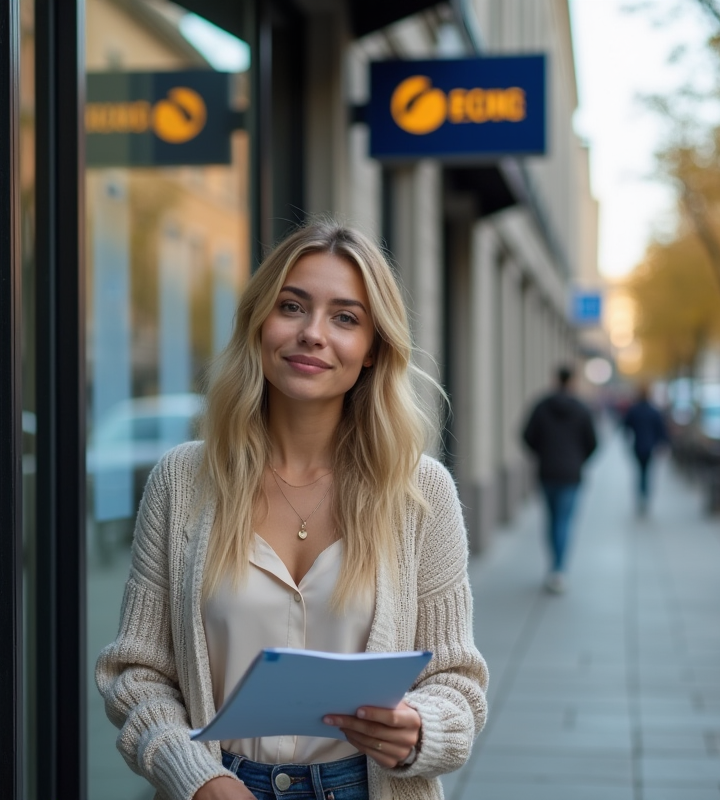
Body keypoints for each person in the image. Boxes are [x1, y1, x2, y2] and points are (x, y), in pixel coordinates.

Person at [96, 220, 488, 800]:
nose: (312, 333)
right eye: (292, 306)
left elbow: (457, 682)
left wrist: (419, 730)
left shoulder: (420, 493)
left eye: (345, 318)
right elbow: (137, 674)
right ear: (259, 323)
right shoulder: (184, 480)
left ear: (374, 349)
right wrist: (197, 780)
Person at [522, 366, 597, 594]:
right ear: (573, 381)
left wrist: (543, 454)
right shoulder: (582, 409)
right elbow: (593, 442)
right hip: (571, 474)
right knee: (564, 520)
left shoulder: (542, 406)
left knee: (552, 519)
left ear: (555, 380)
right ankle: (559, 569)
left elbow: (526, 436)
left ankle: (554, 567)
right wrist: (578, 459)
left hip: (547, 471)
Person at [620, 385, 669, 516]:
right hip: (650, 447)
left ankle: (641, 496)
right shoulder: (654, 411)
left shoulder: (634, 410)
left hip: (637, 446)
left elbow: (626, 426)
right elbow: (661, 430)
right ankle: (645, 496)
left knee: (640, 472)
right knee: (646, 472)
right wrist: (662, 443)